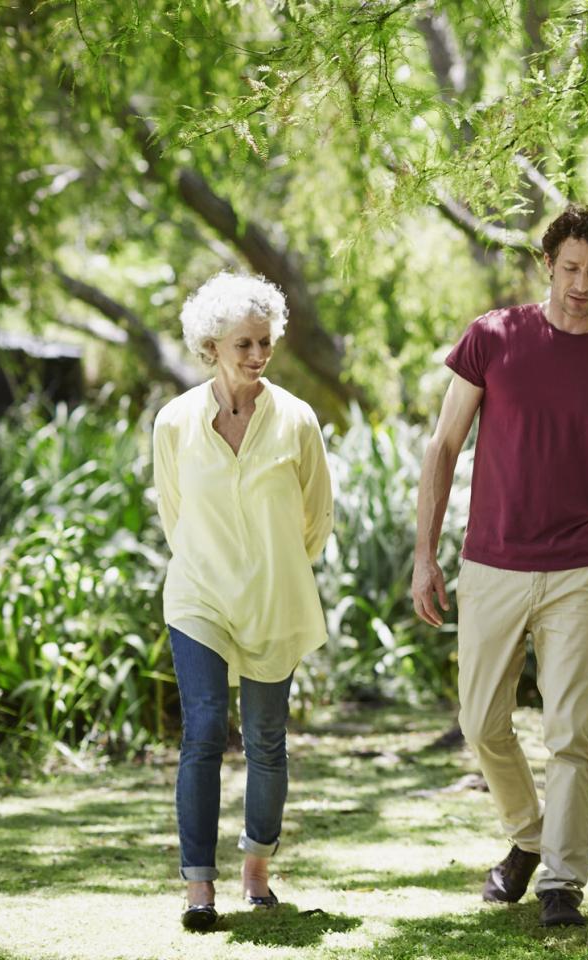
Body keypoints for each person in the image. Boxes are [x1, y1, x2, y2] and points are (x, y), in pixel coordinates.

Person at [410, 204, 588, 927]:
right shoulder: (493, 337)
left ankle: (562, 880)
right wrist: (425, 555)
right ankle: (528, 834)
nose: (582, 283)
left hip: (578, 569)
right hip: (489, 560)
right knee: (480, 720)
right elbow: (443, 448)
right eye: (572, 267)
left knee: (569, 733)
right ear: (546, 262)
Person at [152, 272, 334, 931]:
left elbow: (317, 517)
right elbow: (174, 515)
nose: (258, 356)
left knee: (265, 738)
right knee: (202, 730)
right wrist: (217, 560)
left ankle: (256, 866)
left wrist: (274, 563)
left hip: (274, 596)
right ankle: (198, 886)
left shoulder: (296, 420)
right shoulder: (174, 422)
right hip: (198, 594)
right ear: (210, 345)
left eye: (265, 342)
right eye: (244, 345)